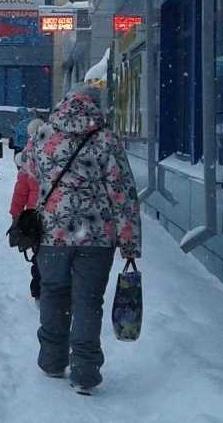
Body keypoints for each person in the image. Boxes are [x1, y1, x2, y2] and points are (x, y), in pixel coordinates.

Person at [23, 83, 141, 395]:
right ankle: (85, 372)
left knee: (53, 293)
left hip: (52, 233)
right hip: (97, 236)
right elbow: (123, 194)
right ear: (96, 106)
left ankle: (52, 360)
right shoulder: (106, 139)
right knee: (88, 301)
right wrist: (129, 243)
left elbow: (27, 167)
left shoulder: (44, 135)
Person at [10, 118, 49, 299]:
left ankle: (39, 288)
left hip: (34, 217)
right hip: (55, 215)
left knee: (38, 253)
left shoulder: (29, 157)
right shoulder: (58, 152)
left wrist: (16, 215)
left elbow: (21, 191)